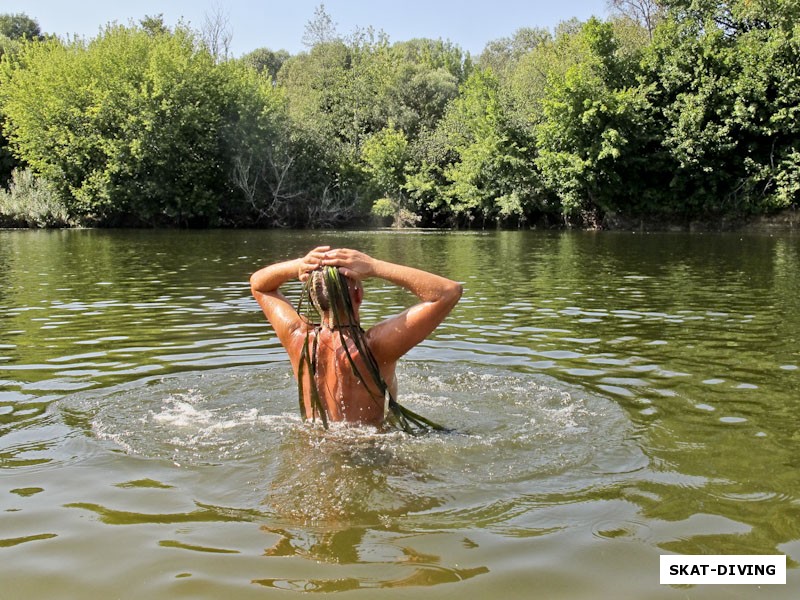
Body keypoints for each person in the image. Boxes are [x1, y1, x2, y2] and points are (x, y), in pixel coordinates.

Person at [250, 246, 462, 429]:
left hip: (315, 444)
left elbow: (258, 284)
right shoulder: (376, 346)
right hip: (368, 447)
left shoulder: (298, 337)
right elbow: (449, 291)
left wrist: (298, 264)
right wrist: (374, 266)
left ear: (313, 298)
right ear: (359, 295)